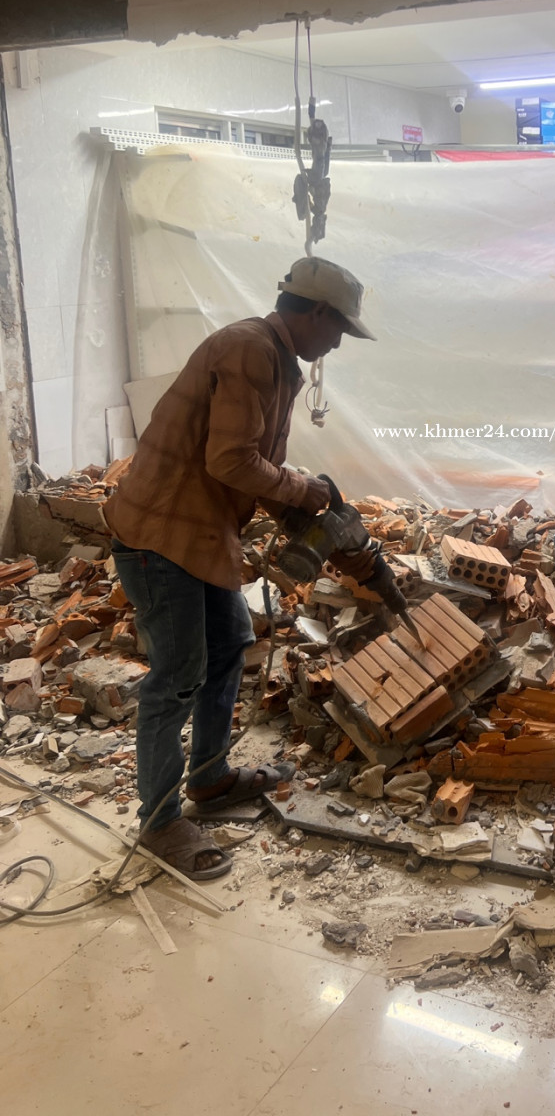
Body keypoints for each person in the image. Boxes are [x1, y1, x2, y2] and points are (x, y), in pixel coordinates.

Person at [104, 256, 375, 880]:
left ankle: (209, 778)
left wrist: (307, 512)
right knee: (177, 677)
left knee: (230, 643)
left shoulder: (276, 360)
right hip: (161, 534)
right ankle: (159, 822)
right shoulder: (249, 350)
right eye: (338, 329)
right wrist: (302, 488)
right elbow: (230, 461)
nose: (337, 344)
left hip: (200, 532)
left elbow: (251, 466)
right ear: (317, 312)